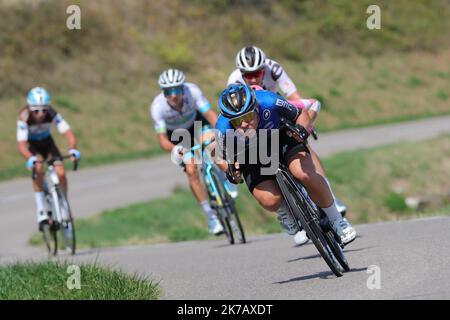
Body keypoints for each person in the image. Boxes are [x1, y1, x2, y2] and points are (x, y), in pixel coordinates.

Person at [228, 46, 347, 245]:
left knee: (302, 140)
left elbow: (294, 98)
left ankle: (328, 192)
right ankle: (290, 210)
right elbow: (235, 111)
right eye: (247, 75)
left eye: (256, 73)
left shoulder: (274, 68)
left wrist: (304, 127)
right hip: (253, 121)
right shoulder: (234, 80)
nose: (252, 79)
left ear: (263, 70)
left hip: (278, 108)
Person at [215, 84, 357, 245]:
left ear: (256, 108)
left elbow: (301, 113)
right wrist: (231, 170)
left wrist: (303, 129)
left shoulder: (269, 101)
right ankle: (284, 209)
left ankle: (336, 219)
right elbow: (221, 156)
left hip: (281, 135)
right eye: (236, 121)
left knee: (303, 173)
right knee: (270, 200)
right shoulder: (222, 128)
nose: (243, 124)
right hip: (250, 153)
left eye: (247, 117)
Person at [150, 68, 231, 235]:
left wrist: (222, 131)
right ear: (163, 93)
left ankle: (225, 177)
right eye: (168, 91)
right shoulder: (157, 107)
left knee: (212, 146)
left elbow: (209, 114)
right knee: (191, 169)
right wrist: (175, 148)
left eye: (176, 90)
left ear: (183, 88)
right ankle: (211, 216)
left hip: (197, 123)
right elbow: (162, 139)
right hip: (177, 136)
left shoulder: (192, 91)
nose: (173, 95)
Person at [17, 87, 80, 231]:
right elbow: (21, 145)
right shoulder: (24, 116)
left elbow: (69, 134)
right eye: (36, 110)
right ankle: (41, 211)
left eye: (44, 110)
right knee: (38, 168)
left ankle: (64, 206)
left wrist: (72, 149)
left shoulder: (52, 113)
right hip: (33, 146)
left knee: (61, 173)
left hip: (48, 143)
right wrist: (29, 158)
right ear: (30, 108)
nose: (41, 114)